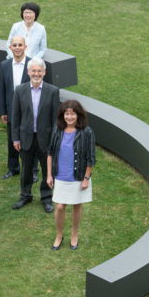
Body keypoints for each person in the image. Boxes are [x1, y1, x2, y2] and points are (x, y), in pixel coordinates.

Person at [11, 57, 60, 213]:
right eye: (33, 71)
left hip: (46, 140)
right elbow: (16, 117)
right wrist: (16, 138)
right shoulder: (20, 90)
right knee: (26, 170)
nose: (36, 74)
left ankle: (46, 198)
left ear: (44, 72)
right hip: (26, 138)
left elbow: (55, 119)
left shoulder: (53, 91)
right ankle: (25, 196)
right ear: (28, 72)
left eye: (39, 71)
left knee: (47, 170)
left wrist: (54, 140)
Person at [47, 100, 96, 250]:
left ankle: (74, 235)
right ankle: (59, 235)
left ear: (78, 115)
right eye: (66, 114)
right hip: (60, 176)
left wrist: (86, 178)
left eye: (72, 114)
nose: (69, 117)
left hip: (78, 176)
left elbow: (91, 158)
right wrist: (49, 175)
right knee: (60, 207)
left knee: (76, 205)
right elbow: (50, 153)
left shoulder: (87, 132)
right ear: (62, 115)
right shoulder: (57, 129)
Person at [0, 35, 30, 179]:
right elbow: (3, 89)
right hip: (11, 110)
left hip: (29, 111)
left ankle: (31, 170)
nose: (17, 48)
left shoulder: (32, 65)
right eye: (14, 45)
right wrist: (3, 111)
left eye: (20, 45)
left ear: (25, 47)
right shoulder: (4, 65)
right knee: (12, 140)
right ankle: (13, 168)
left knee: (29, 142)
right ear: (10, 48)